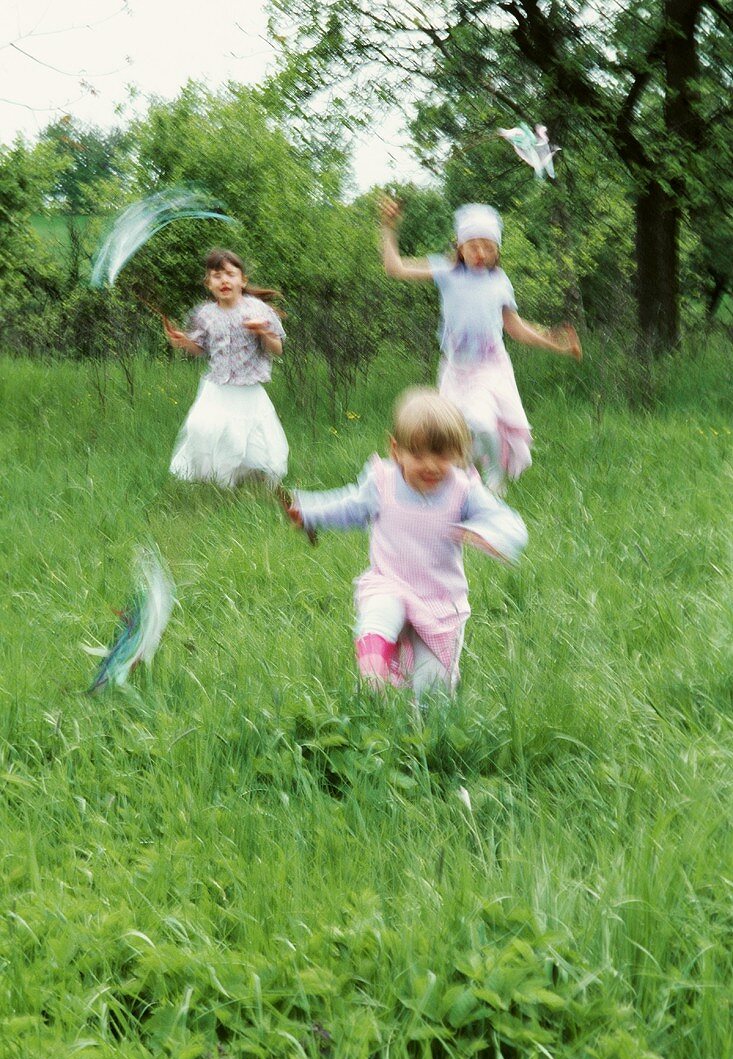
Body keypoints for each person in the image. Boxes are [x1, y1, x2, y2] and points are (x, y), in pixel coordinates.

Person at [287, 388, 527, 698]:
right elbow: (348, 505)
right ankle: (375, 674)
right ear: (396, 450)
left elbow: (510, 523)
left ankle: (429, 736)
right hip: (391, 583)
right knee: (380, 611)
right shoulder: (382, 483)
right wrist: (308, 511)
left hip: (439, 602)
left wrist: (489, 534)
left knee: (432, 691)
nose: (430, 465)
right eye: (418, 454)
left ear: (458, 452)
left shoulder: (463, 490)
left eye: (441, 455)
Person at [380, 197, 582, 490]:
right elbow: (395, 268)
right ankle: (463, 487)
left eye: (488, 247)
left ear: (497, 250)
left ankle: (496, 477)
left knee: (482, 422)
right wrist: (389, 228)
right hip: (455, 369)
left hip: (489, 368)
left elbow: (515, 328)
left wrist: (555, 344)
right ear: (459, 247)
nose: (480, 253)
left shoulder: (499, 281)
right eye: (473, 245)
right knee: (452, 435)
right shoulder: (447, 272)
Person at [164, 248, 288, 487]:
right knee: (200, 427)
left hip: (248, 390)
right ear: (208, 283)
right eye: (217, 276)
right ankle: (215, 481)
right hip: (217, 387)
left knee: (247, 441)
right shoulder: (205, 314)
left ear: (242, 281)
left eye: (230, 274)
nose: (224, 280)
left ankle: (245, 479)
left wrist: (263, 332)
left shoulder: (258, 310)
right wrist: (183, 342)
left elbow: (278, 348)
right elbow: (200, 348)